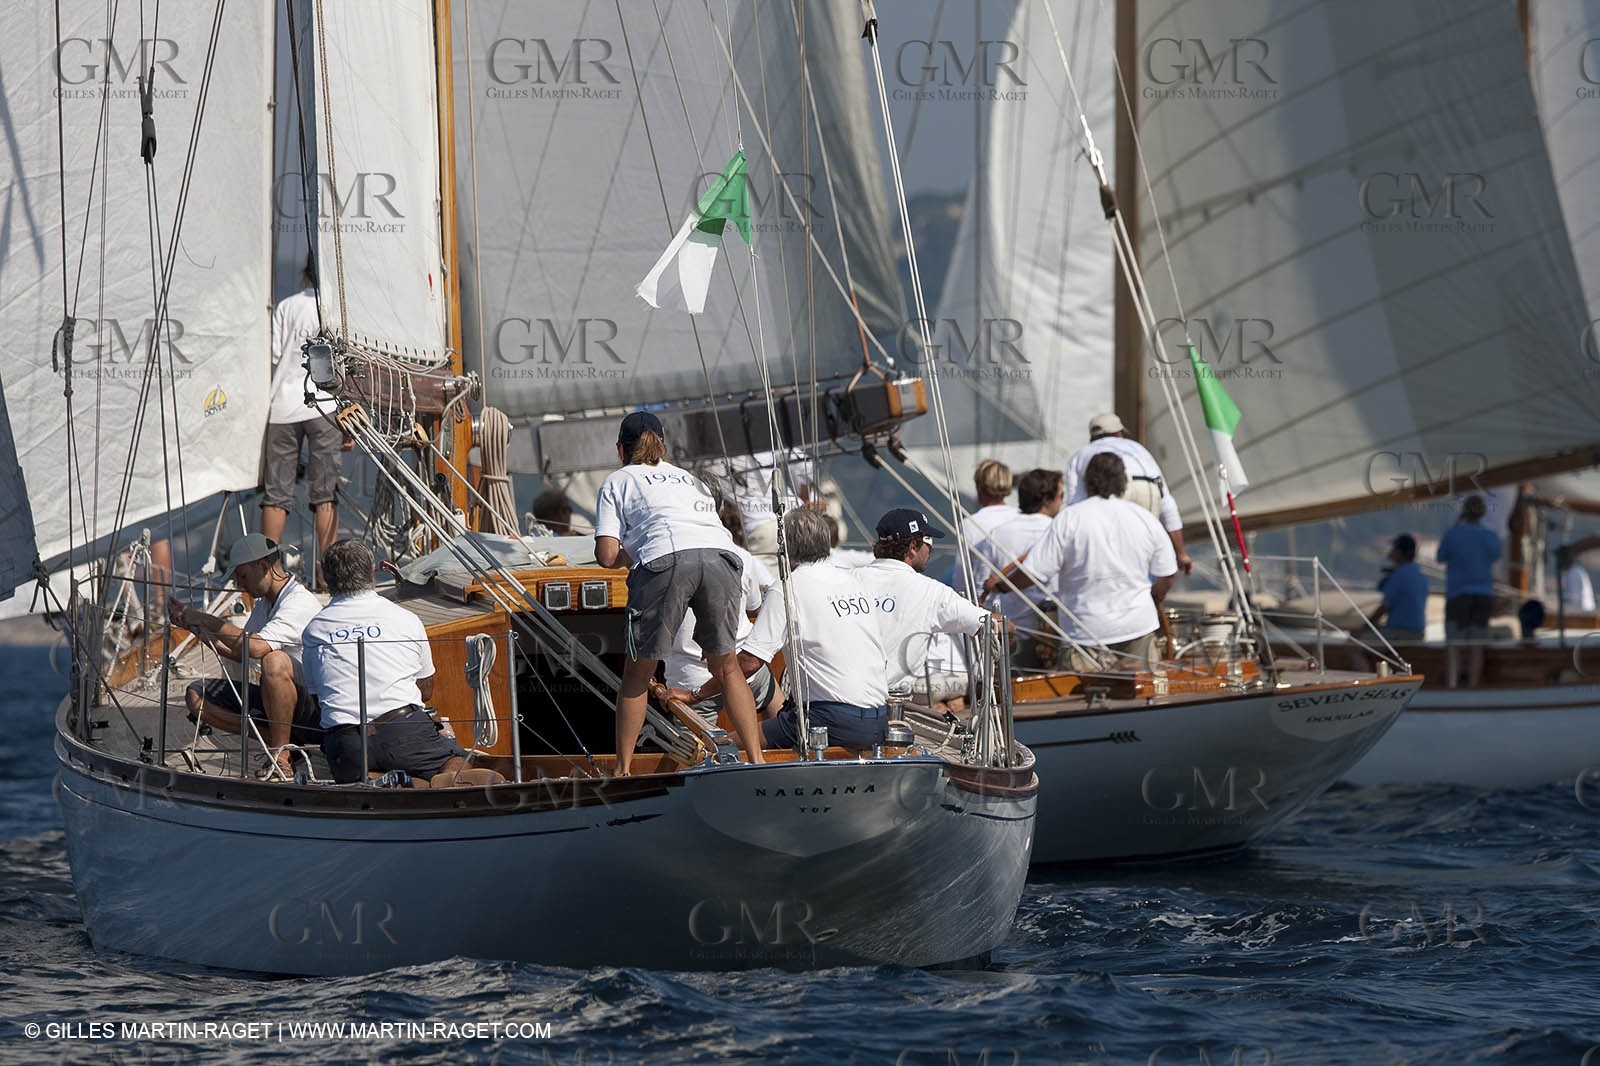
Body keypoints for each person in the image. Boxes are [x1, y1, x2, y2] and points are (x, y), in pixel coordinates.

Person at [594, 412, 765, 774]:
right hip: (723, 558)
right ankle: (757, 760)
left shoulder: (618, 480)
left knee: (638, 675)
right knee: (728, 666)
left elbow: (606, 554)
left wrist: (632, 557)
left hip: (665, 561)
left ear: (621, 450)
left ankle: (622, 771)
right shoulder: (690, 480)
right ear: (663, 447)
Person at [983, 452, 1177, 672]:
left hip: (1084, 634)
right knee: (1143, 699)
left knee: (1086, 702)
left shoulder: (1069, 518)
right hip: (1138, 626)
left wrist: (1002, 586)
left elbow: (1034, 573)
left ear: (1087, 482)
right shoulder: (1143, 517)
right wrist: (1154, 597)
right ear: (1124, 482)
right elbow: (1167, 573)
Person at [301, 539, 468, 784]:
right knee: (458, 758)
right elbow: (426, 690)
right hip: (404, 732)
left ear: (325, 578)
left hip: (347, 746)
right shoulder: (406, 619)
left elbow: (317, 697)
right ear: (372, 573)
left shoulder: (314, 630)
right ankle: (442, 792)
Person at [173, 533, 323, 779]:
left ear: (263, 567)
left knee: (273, 661)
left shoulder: (298, 602)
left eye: (242, 576)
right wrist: (195, 628)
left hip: (314, 709)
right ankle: (287, 741)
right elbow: (238, 651)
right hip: (281, 702)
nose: (239, 585)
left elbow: (256, 647)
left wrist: (207, 619)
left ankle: (280, 753)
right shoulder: (266, 604)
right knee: (196, 697)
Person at [747, 507, 893, 751]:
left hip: (826, 722)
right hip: (878, 722)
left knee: (727, 744)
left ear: (786, 548)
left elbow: (749, 663)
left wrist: (699, 694)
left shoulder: (786, 589)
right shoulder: (857, 583)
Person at [262, 261, 343, 586]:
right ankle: (329, 576)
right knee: (325, 494)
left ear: (305, 273)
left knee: (276, 495)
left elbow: (274, 354)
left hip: (282, 406)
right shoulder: (333, 310)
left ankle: (266, 574)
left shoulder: (286, 306)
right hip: (323, 405)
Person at [862, 508, 994, 706]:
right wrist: (1009, 627)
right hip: (892, 705)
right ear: (913, 546)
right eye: (928, 542)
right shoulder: (931, 592)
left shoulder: (850, 581)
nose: (930, 549)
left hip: (849, 699)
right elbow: (986, 624)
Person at [662, 545, 785, 722]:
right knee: (774, 700)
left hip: (691, 681)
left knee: (692, 746)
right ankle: (786, 739)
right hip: (745, 671)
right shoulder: (741, 555)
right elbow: (754, 608)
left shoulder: (662, 559)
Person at [1064, 412, 1193, 575]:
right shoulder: (1139, 449)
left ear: (1092, 437)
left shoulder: (1080, 455)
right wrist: (1181, 553)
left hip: (1112, 490)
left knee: (1115, 557)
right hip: (1148, 488)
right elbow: (1167, 503)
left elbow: (1076, 503)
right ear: (1120, 433)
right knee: (1146, 553)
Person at [983, 468, 1065, 669]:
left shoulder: (998, 533)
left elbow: (982, 584)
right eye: (1061, 496)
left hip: (1012, 634)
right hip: (1057, 634)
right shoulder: (1061, 531)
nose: (1063, 502)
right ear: (1047, 499)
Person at [703, 449, 814, 573]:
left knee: (769, 588)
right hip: (797, 519)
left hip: (762, 530)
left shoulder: (705, 454)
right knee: (809, 580)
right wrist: (804, 499)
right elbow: (803, 463)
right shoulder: (759, 439)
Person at [1436, 494, 1501, 688]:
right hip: (1482, 594)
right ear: (1482, 513)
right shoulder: (1490, 536)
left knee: (1454, 644)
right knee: (1476, 644)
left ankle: (1453, 683)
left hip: (1457, 594)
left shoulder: (1453, 534)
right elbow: (1495, 555)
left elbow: (1441, 557)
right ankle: (1473, 685)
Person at [952, 458, 1020, 597]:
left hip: (986, 604)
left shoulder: (969, 524)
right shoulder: (1021, 517)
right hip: (1019, 602)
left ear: (979, 487)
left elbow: (962, 576)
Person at [1370, 533, 1428, 643]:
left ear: (1399, 552)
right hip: (1419, 632)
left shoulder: (1399, 575)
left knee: (1353, 645)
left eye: (1393, 548)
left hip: (1400, 632)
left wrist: (1367, 624)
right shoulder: (1420, 575)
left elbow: (1384, 607)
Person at [1558, 545, 1596, 613]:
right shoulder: (1574, 571)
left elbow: (1574, 600)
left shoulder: (1574, 573)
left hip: (1582, 613)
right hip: (1583, 611)